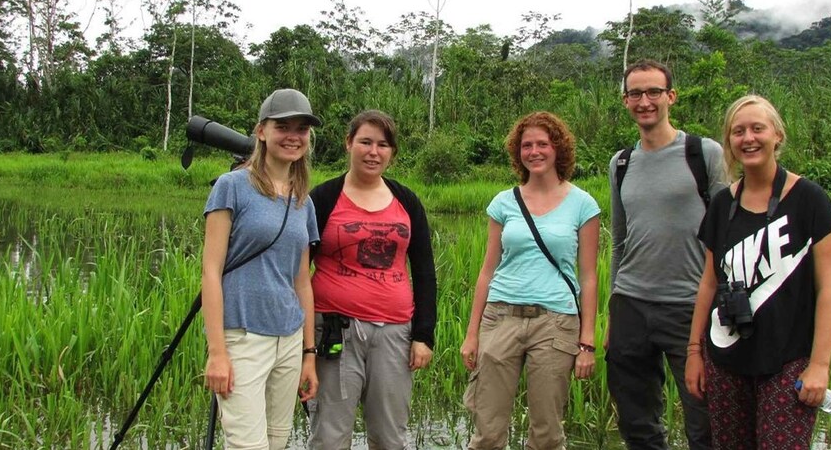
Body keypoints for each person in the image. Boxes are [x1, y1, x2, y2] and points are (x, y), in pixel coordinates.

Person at [685, 95, 831, 449]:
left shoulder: (810, 200)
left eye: (758, 128)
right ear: (729, 142)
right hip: (726, 357)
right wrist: (695, 353)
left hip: (788, 360)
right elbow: (709, 282)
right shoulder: (723, 205)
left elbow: (829, 288)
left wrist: (819, 365)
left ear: (777, 136)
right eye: (738, 131)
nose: (748, 138)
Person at [461, 111, 600, 450]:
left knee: (547, 434)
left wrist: (587, 342)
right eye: (527, 145)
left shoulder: (583, 204)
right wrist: (471, 333)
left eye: (543, 144)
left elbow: (589, 276)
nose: (534, 151)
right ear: (517, 152)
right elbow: (487, 270)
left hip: (556, 324)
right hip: (501, 317)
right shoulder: (504, 202)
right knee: (488, 431)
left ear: (558, 149)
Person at [607, 59, 723, 450]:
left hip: (690, 306)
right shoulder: (621, 163)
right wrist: (613, 307)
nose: (645, 101)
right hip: (631, 305)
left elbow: (728, 233)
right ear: (625, 101)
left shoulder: (703, 153)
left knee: (704, 422)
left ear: (670, 97)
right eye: (635, 93)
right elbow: (619, 241)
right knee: (637, 423)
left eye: (654, 91)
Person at [306, 110, 437, 450]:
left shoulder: (406, 201)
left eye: (383, 145)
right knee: (330, 437)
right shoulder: (322, 199)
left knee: (390, 437)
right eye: (365, 142)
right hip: (335, 333)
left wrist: (424, 335)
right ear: (349, 143)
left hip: (394, 334)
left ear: (392, 152)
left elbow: (423, 271)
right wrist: (305, 344)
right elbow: (297, 273)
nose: (373, 152)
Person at [201, 88, 321, 450]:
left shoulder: (304, 200)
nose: (292, 136)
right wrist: (217, 352)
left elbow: (302, 283)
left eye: (301, 129)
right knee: (247, 445)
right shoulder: (232, 186)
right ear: (261, 131)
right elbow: (210, 271)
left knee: (276, 441)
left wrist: (308, 355)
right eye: (282, 126)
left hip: (288, 337)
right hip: (244, 336)